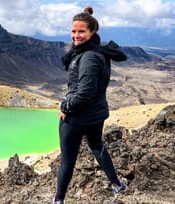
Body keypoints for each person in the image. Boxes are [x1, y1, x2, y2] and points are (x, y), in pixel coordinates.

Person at [52, 6, 127, 204]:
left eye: (81, 31)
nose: (76, 36)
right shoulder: (97, 51)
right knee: (97, 146)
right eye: (73, 31)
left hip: (77, 118)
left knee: (67, 161)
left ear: (92, 32)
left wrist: (65, 107)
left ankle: (58, 200)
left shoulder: (88, 57)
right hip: (96, 116)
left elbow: (84, 93)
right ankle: (117, 184)